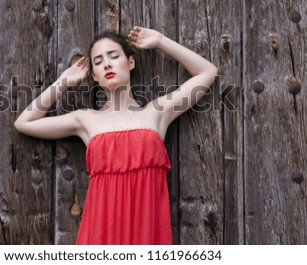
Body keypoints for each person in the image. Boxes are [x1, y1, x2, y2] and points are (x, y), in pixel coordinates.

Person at [14, 26, 218, 244]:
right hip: (100, 232)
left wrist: (160, 40)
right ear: (94, 75)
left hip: (147, 231)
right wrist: (64, 82)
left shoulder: (157, 112)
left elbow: (207, 72)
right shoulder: (86, 120)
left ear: (130, 63)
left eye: (113, 56)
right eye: (98, 62)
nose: (107, 64)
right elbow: (24, 122)